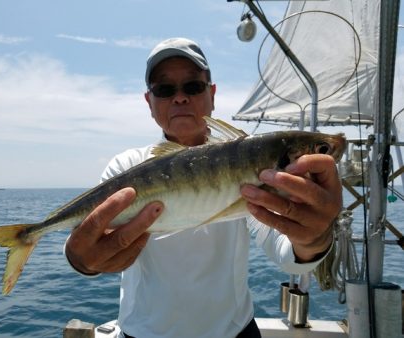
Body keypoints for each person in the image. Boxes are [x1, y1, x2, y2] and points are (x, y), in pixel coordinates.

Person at [65, 38, 341, 338]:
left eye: (193, 87)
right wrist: (81, 260)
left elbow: (288, 254)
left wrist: (315, 237)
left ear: (212, 94)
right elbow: (89, 241)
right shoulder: (127, 167)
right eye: (165, 89)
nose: (180, 98)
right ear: (149, 101)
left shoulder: (252, 162)